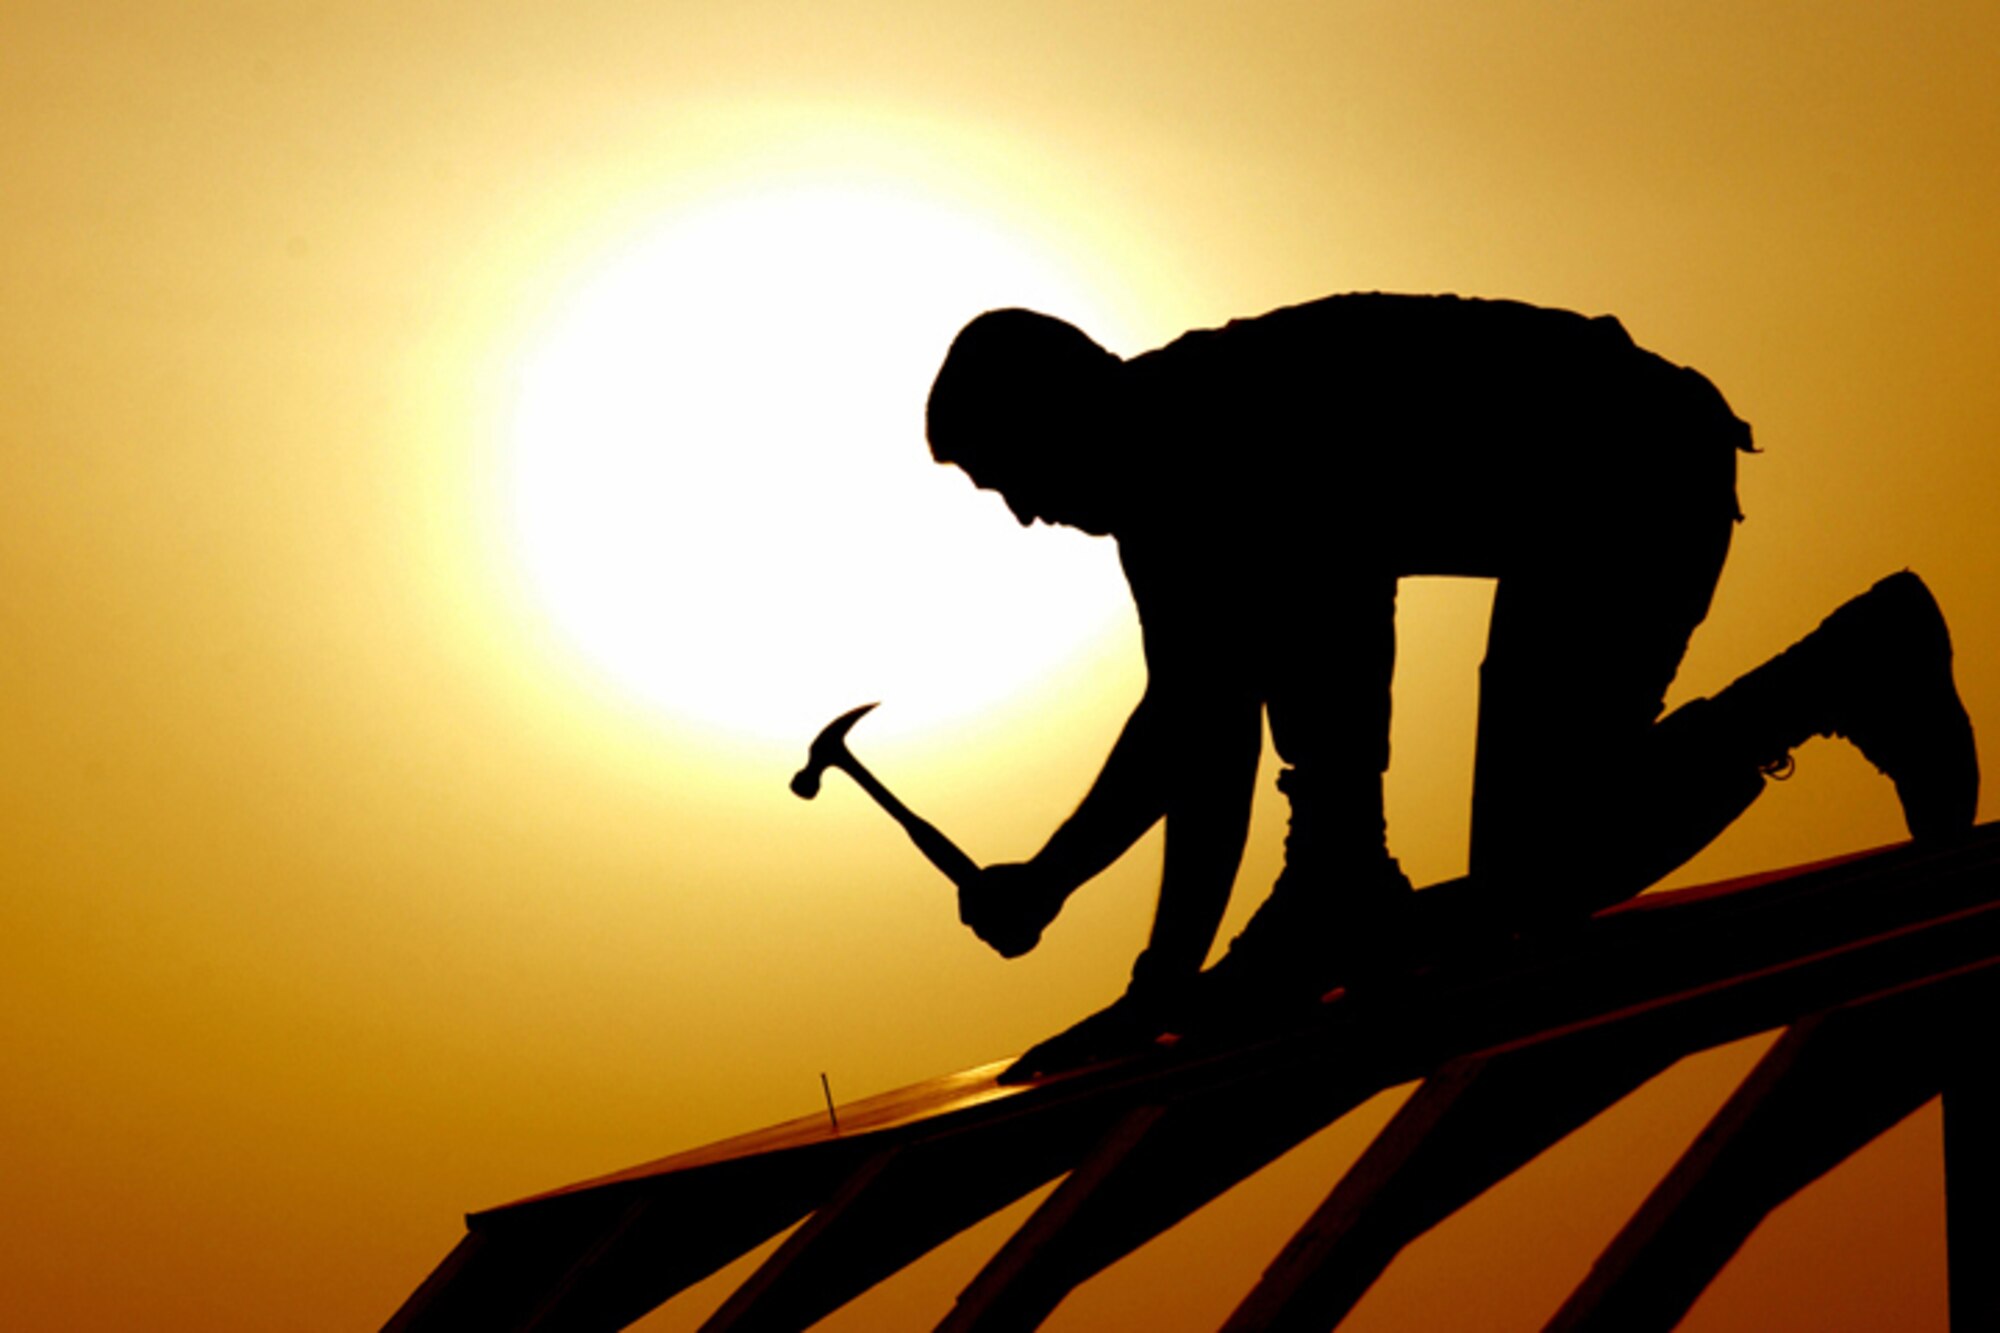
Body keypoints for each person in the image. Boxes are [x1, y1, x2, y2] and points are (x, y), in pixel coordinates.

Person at [924, 294, 1979, 1067]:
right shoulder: (1167, 468)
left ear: (1051, 413)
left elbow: (1217, 735)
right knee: (1521, 873)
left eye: (1005, 474)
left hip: (1625, 462)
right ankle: (1335, 870)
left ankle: (1853, 665)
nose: (1020, 512)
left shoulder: (1205, 442)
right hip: (1577, 491)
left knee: (1535, 880)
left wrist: (1162, 986)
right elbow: (1190, 719)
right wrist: (1060, 880)